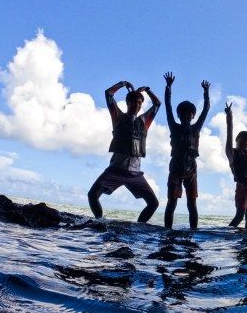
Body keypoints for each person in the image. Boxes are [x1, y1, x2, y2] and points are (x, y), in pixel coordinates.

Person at [87, 79, 161, 222]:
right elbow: (108, 94)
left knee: (153, 203)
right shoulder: (118, 117)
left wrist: (147, 90)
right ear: (127, 103)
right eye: (133, 102)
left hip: (135, 174)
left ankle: (139, 228)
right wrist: (122, 84)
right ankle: (100, 222)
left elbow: (157, 104)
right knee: (92, 195)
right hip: (116, 169)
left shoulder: (144, 121)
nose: (137, 105)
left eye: (139, 103)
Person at [163, 72, 210, 229]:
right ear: (179, 115)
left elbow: (206, 109)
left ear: (193, 115)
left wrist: (206, 92)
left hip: (191, 169)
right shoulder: (174, 126)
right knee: (172, 202)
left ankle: (193, 232)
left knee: (192, 203)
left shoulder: (196, 128)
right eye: (183, 113)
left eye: (189, 113)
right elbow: (168, 106)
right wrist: (168, 87)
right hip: (175, 167)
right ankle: (167, 232)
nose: (186, 115)